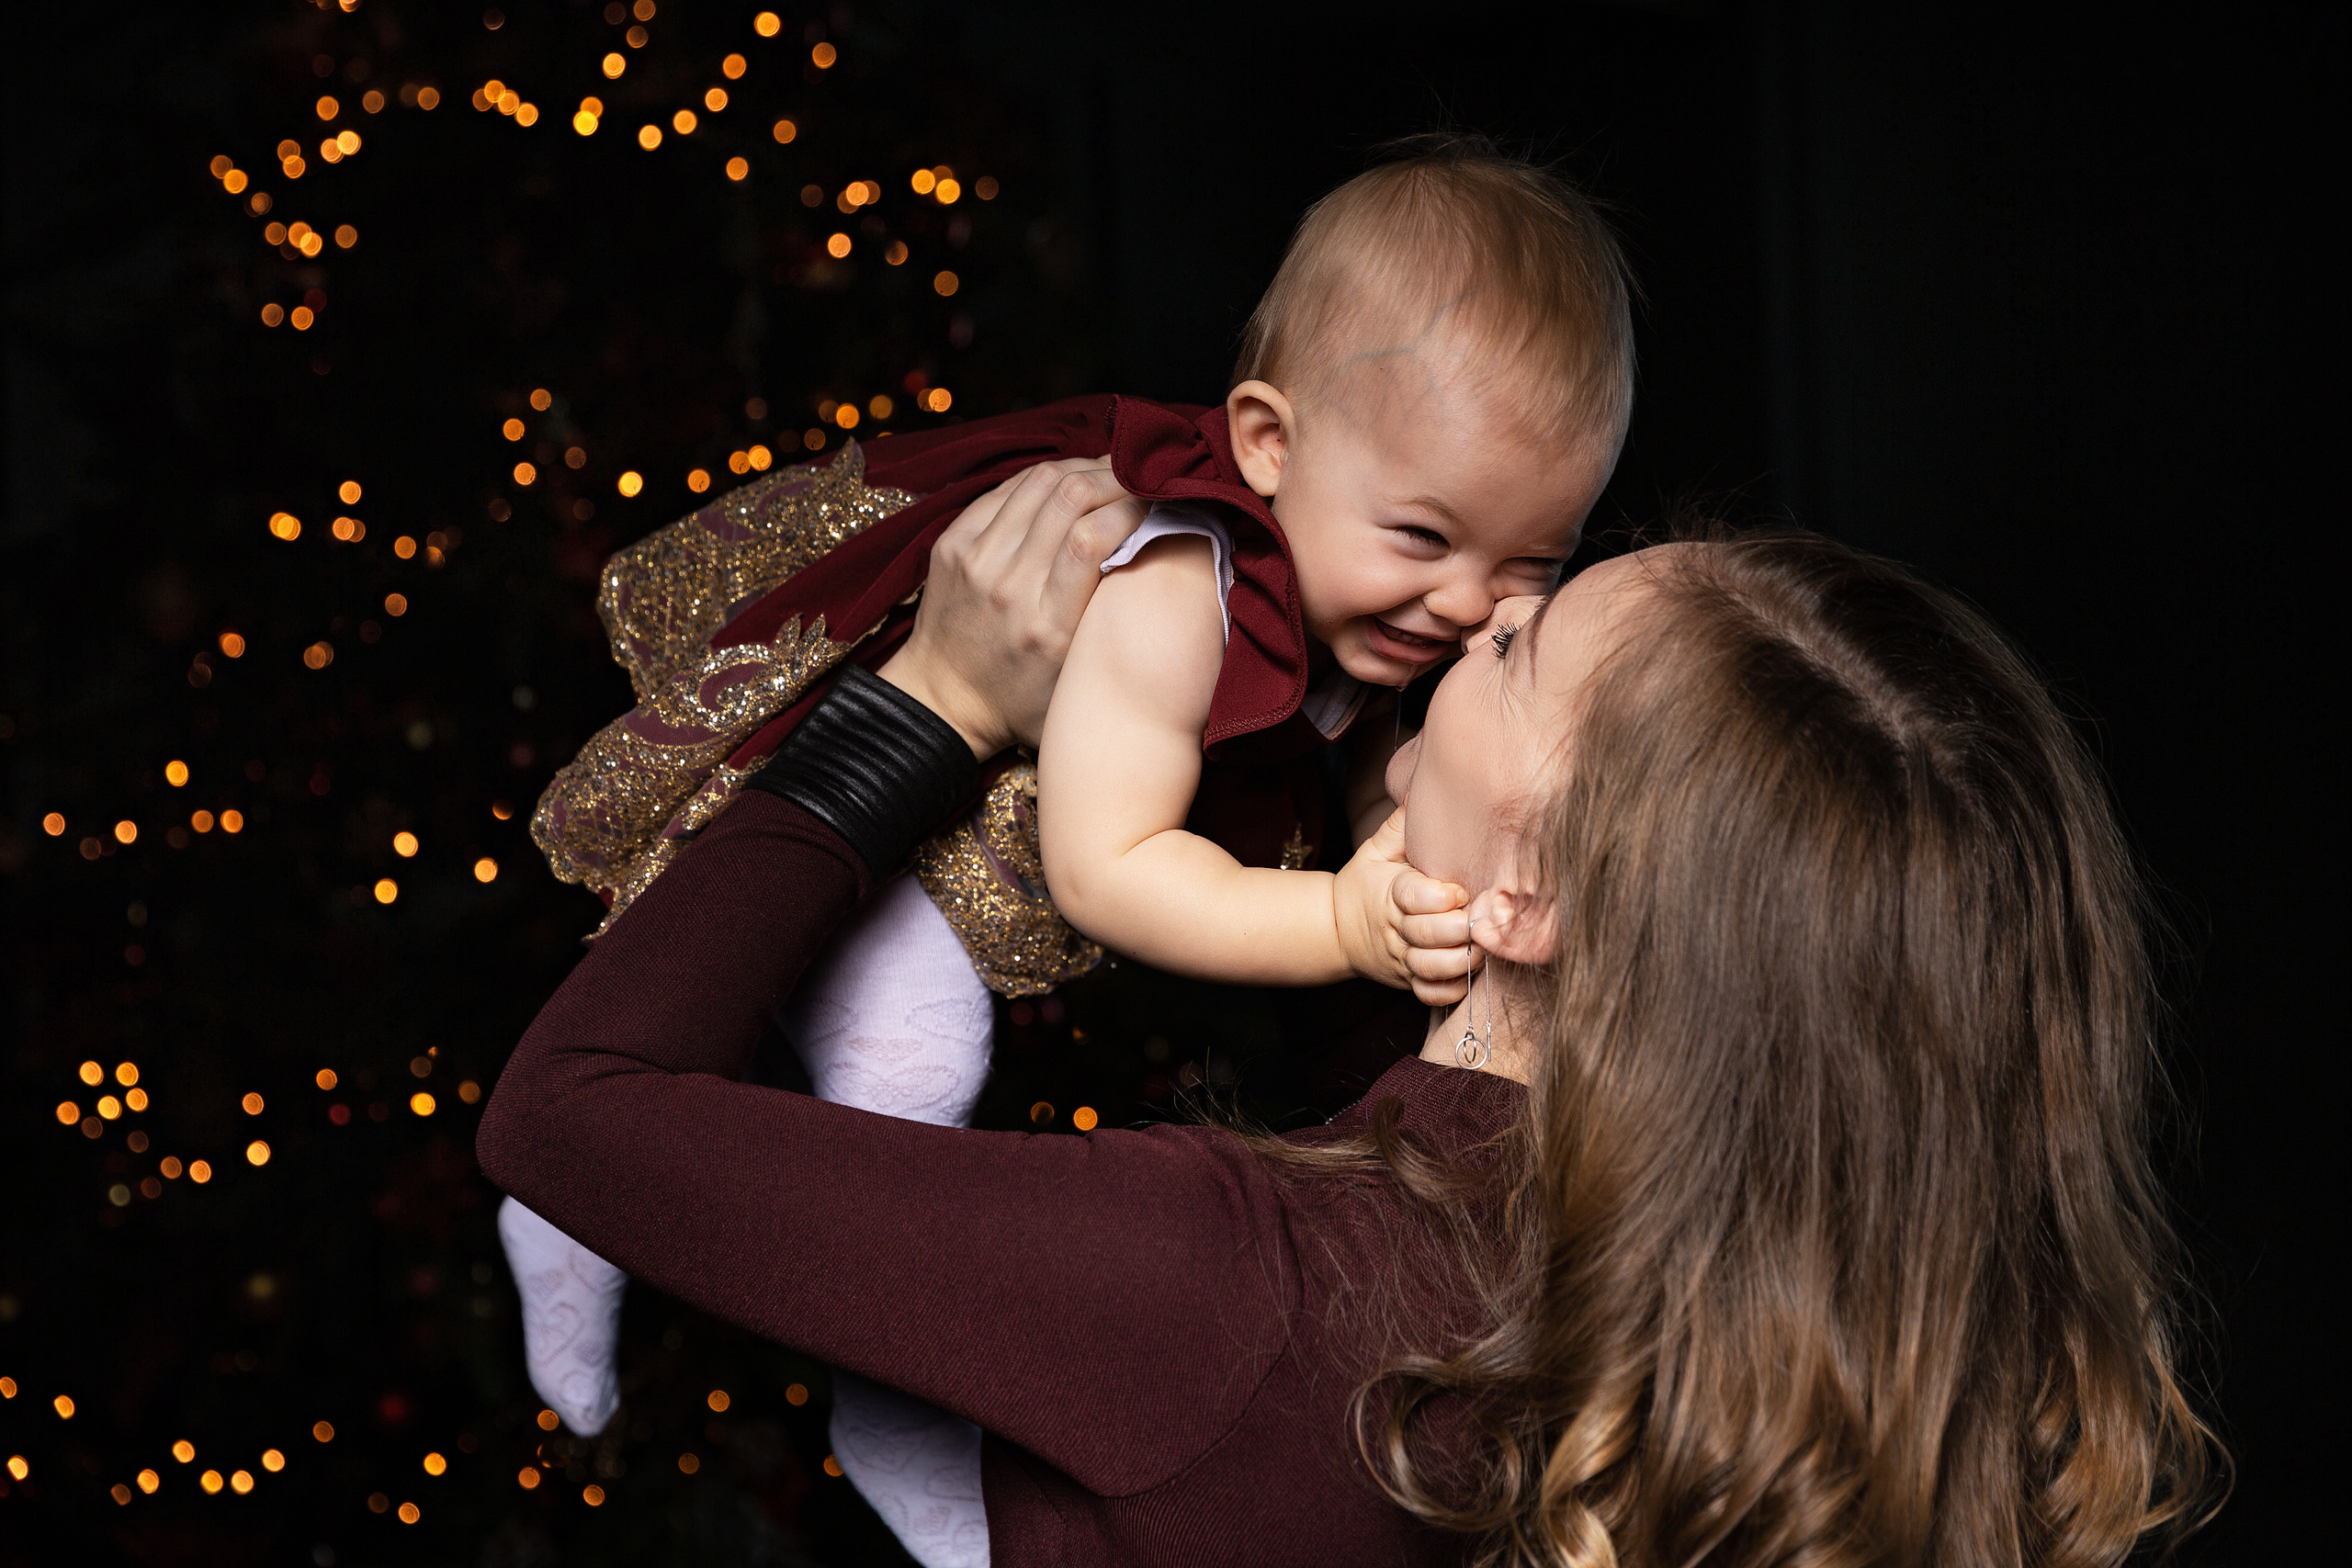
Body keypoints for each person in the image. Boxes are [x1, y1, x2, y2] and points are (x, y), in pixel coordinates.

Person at [480, 491, 2222, 1564]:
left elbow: (572, 1111)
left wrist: (926, 700)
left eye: (1527, 647)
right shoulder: (1815, 1355)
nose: (1481, 614)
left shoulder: (1249, 1284)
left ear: (1528, 899)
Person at [497, 132, 1634, 1549]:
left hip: (1026, 875)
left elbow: (1358, 796)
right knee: (908, 1071)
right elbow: (1109, 871)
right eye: (1424, 539)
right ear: (1269, 445)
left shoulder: (1384, 597)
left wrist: (1379, 857)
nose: (1468, 608)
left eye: (1529, 579)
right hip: (953, 855)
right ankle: (624, 1257)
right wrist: (1346, 919)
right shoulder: (1182, 584)